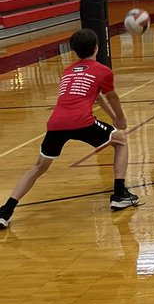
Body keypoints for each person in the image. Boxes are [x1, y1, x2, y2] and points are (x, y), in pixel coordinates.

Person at [0, 27, 139, 228]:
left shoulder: (68, 71)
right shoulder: (103, 71)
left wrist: (111, 117)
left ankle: (6, 210)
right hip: (82, 121)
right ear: (96, 48)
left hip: (56, 123)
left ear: (74, 50)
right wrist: (121, 118)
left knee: (38, 167)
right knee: (121, 141)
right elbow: (112, 96)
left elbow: (96, 95)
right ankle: (119, 194)